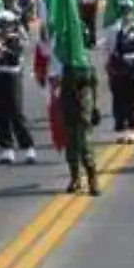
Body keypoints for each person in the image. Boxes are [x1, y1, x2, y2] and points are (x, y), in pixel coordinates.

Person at [0, 12, 38, 165]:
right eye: (2, 24)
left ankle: (29, 147)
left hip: (12, 77)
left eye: (7, 24)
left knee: (16, 114)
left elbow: (15, 57)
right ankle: (6, 148)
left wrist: (1, 48)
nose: (5, 27)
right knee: (0, 113)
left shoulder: (17, 39)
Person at [58, 60, 102, 197]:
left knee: (84, 142)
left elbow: (93, 82)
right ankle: (75, 177)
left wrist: (94, 107)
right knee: (70, 142)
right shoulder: (61, 57)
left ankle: (92, 178)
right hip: (67, 100)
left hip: (83, 102)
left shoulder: (83, 57)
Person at [107, 0, 134, 143]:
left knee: (132, 101)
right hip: (119, 70)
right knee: (118, 101)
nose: (126, 14)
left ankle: (133, 129)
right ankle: (121, 130)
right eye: (124, 11)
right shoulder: (115, 30)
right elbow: (110, 51)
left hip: (133, 70)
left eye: (128, 11)